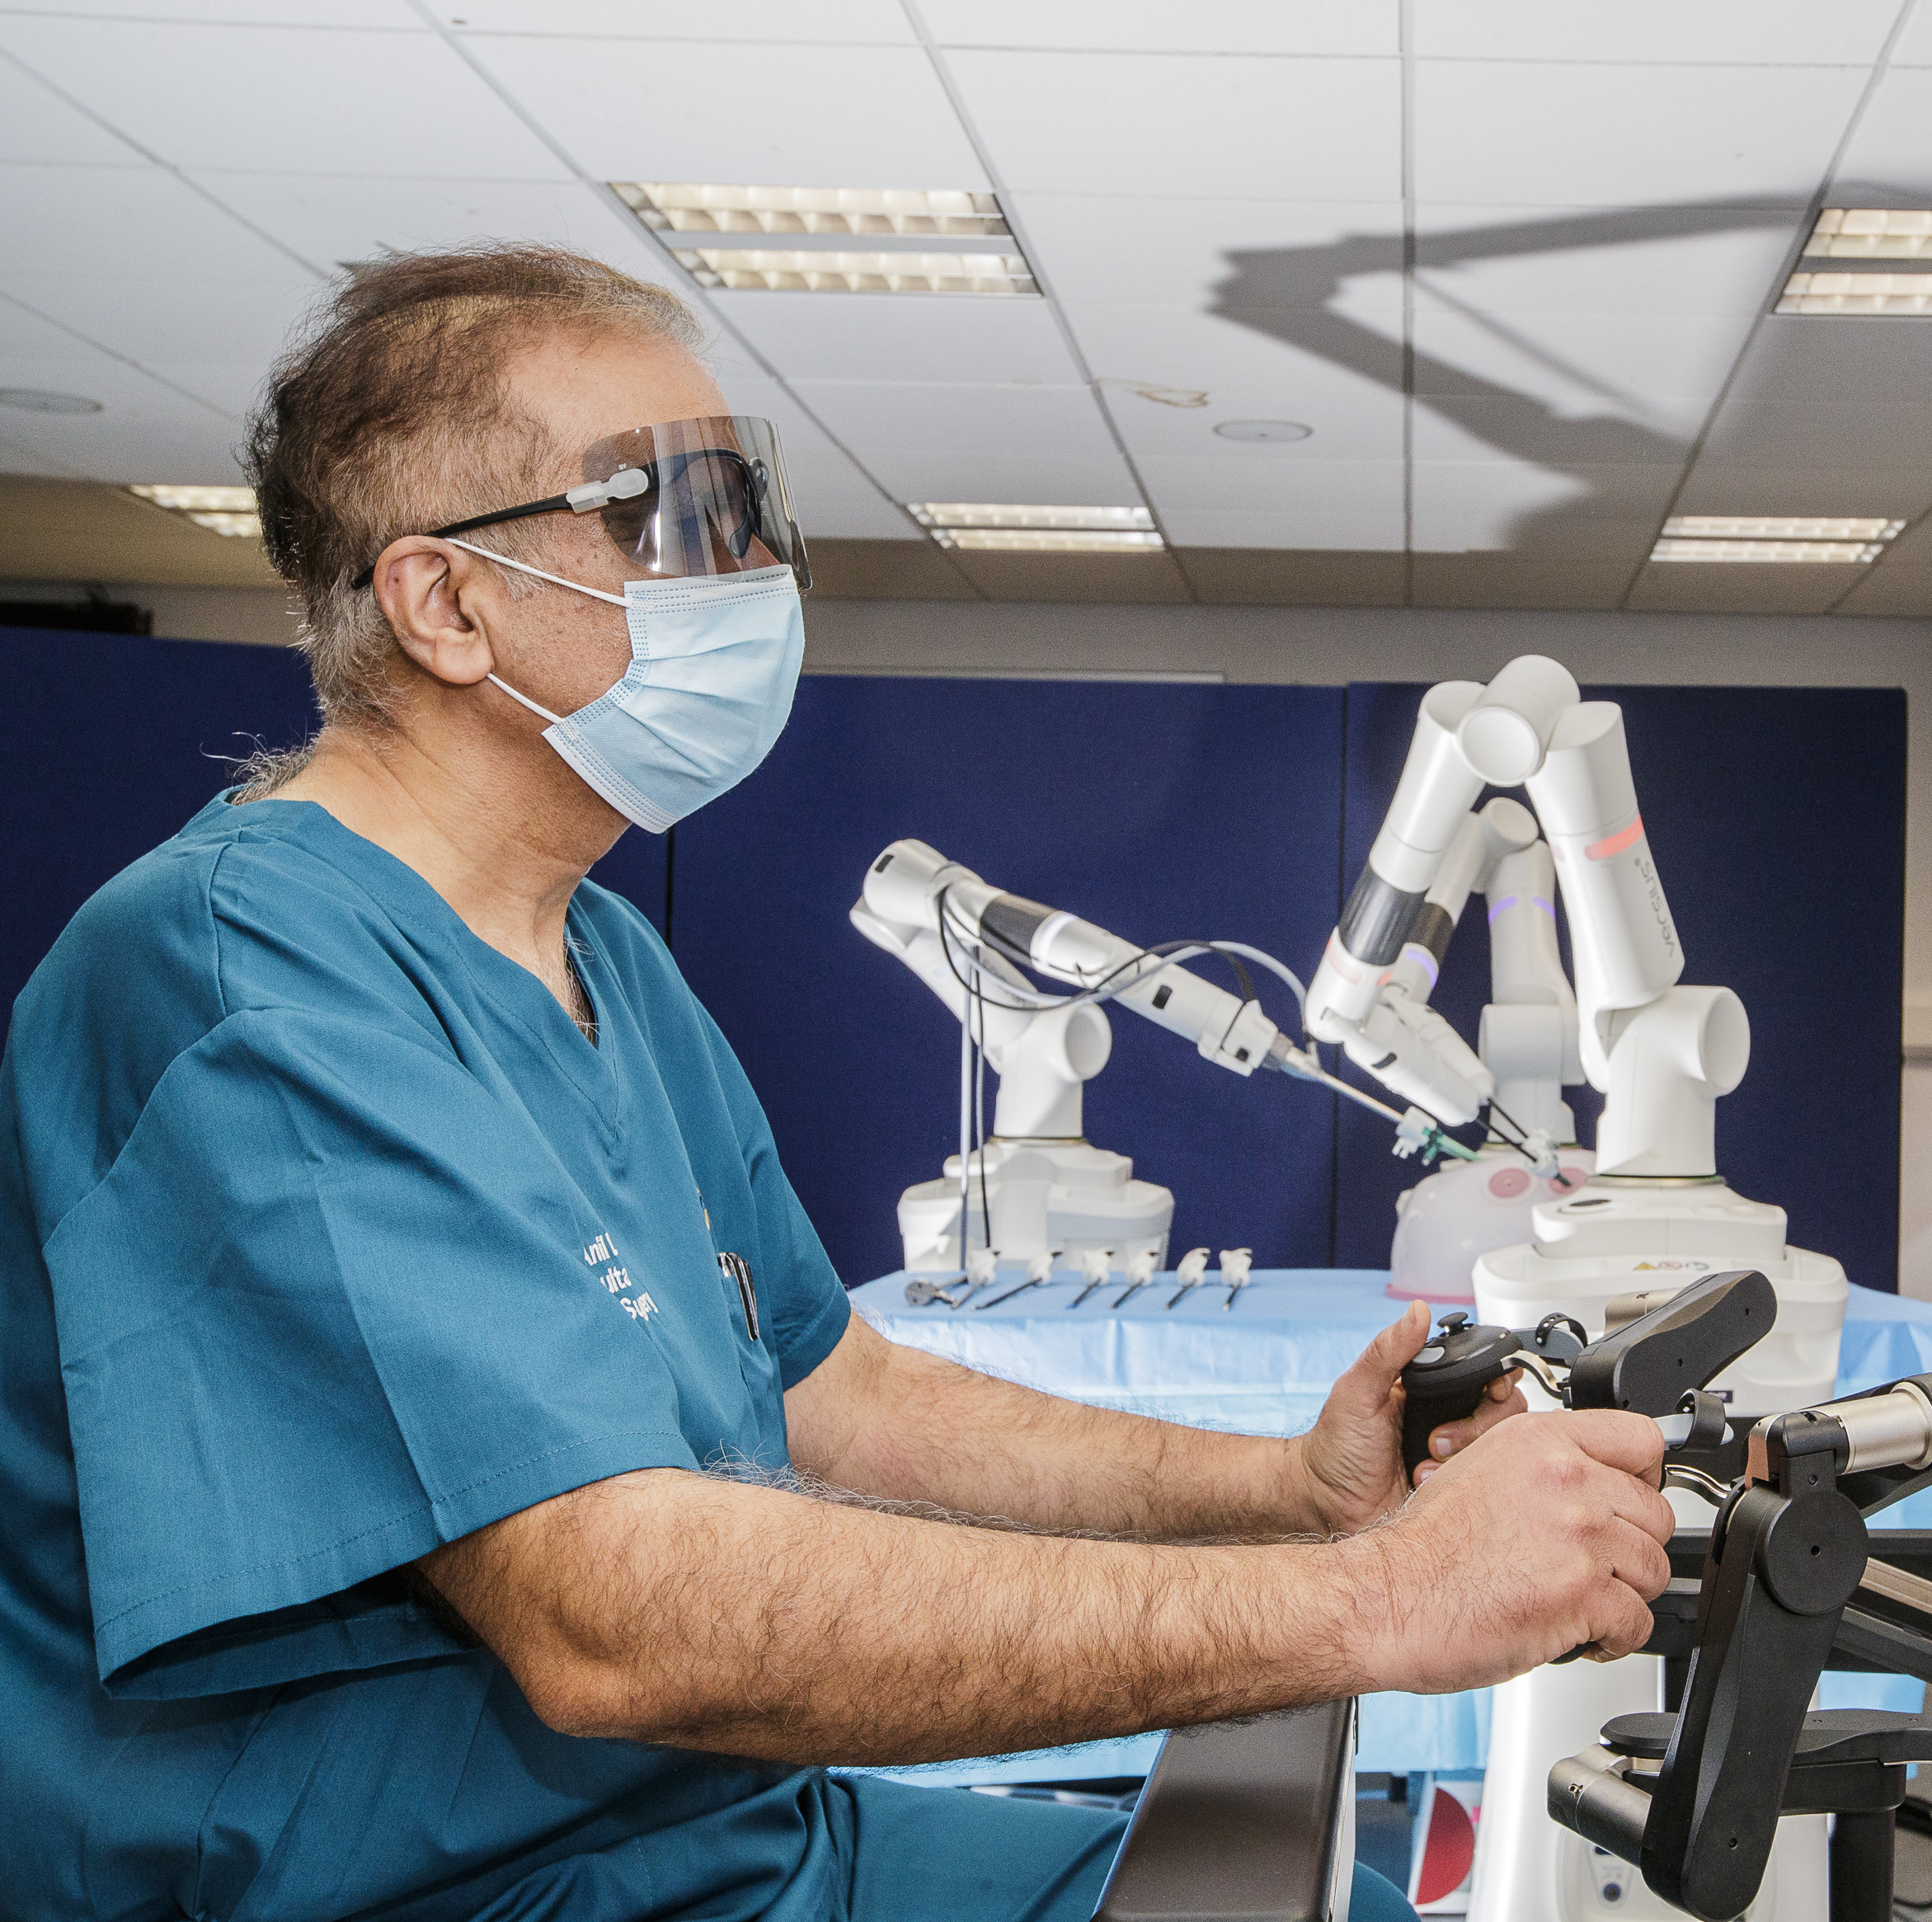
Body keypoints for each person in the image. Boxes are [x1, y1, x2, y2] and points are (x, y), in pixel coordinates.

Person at [0, 246, 1676, 1922]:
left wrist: (1289, 1499)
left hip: (709, 1841)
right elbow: (613, 1612)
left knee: (1341, 1896)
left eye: (755, 513)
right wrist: (1369, 1608)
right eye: (679, 512)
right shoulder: (241, 976)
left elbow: (834, 1388)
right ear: (446, 603)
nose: (754, 573)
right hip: (413, 1884)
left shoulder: (606, 962)